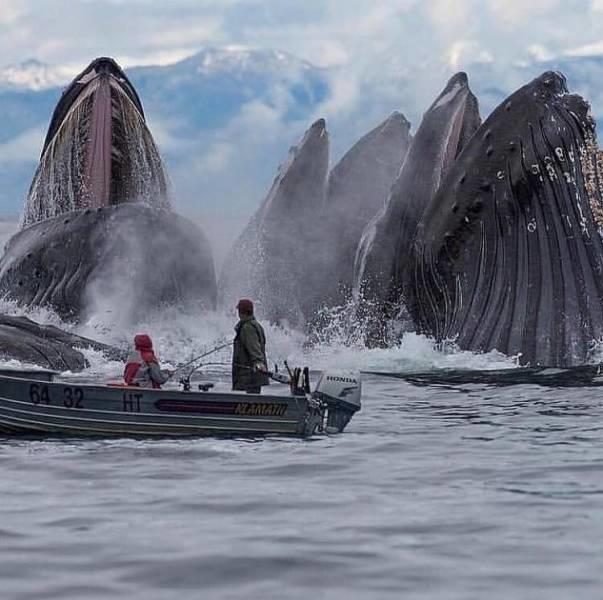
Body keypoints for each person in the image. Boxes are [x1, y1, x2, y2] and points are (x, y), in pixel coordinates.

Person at [232, 298, 269, 394]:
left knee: (249, 404)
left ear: (241, 312)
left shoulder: (247, 327)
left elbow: (254, 346)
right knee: (254, 400)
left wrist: (258, 362)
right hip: (253, 376)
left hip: (249, 376)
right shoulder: (256, 325)